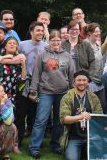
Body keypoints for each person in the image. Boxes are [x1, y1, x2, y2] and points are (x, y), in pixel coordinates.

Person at [27, 29, 75, 158]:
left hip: (63, 93)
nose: (55, 42)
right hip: (46, 92)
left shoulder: (67, 56)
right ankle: (34, 147)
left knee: (59, 121)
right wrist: (33, 91)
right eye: (53, 40)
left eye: (58, 40)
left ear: (61, 41)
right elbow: (36, 74)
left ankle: (56, 145)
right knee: (41, 120)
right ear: (49, 41)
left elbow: (71, 75)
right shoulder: (42, 55)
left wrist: (73, 91)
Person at [0, 37, 27, 152]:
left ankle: (14, 145)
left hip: (12, 94)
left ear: (17, 47)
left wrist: (23, 64)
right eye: (10, 43)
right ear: (5, 46)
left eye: (14, 43)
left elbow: (23, 79)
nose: (12, 45)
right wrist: (6, 59)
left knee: (14, 120)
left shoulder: (20, 58)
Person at [60, 70, 103, 160]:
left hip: (91, 137)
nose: (81, 83)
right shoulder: (67, 97)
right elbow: (64, 119)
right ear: (74, 82)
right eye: (79, 80)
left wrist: (90, 117)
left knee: (98, 157)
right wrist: (80, 117)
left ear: (88, 82)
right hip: (74, 138)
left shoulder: (94, 97)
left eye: (84, 80)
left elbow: (100, 118)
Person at [19, 21, 48, 136]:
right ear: (31, 32)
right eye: (38, 30)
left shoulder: (46, 46)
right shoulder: (22, 45)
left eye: (42, 31)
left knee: (35, 109)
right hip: (24, 81)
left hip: (39, 82)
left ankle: (32, 131)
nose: (40, 33)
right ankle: (21, 132)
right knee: (22, 108)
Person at [84, 22, 107, 111]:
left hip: (100, 81)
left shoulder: (98, 44)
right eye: (95, 32)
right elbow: (83, 63)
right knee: (90, 107)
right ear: (89, 33)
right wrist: (87, 80)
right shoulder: (85, 44)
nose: (98, 33)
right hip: (90, 81)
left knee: (102, 106)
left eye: (99, 31)